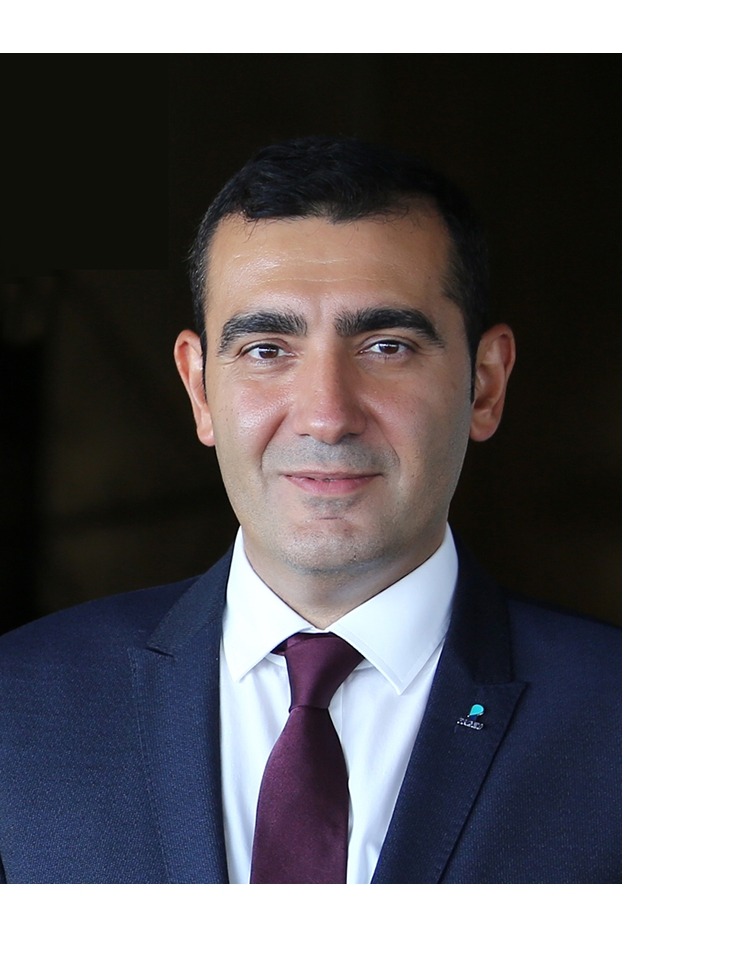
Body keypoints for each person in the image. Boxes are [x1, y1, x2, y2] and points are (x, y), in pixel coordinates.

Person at [0, 135, 620, 883]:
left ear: (484, 385)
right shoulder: (18, 703)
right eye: (266, 349)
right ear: (199, 389)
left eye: (387, 346)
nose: (327, 416)